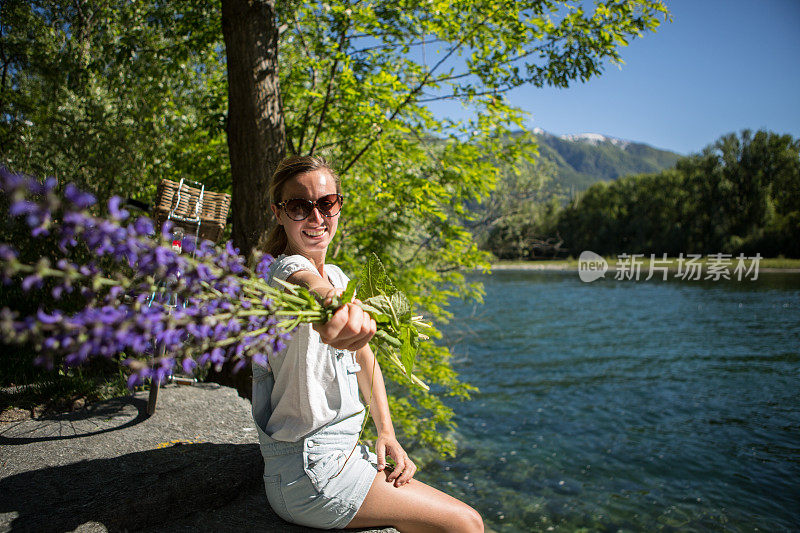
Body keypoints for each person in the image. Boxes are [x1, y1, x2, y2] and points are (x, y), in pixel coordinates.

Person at [251, 155, 484, 532]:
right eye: (299, 207)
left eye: (327, 203)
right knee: (465, 524)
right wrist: (332, 307)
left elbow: (366, 361)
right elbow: (312, 287)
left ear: (339, 205)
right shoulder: (281, 275)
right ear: (279, 213)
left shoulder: (341, 276)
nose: (316, 217)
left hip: (342, 454)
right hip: (309, 471)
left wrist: (387, 433)